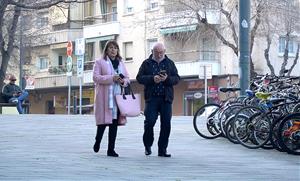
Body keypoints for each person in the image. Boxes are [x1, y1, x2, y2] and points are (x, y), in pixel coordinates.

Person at [136, 42, 180, 157]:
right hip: (152, 98)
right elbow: (139, 78)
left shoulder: (170, 63)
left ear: (164, 52)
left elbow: (177, 79)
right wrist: (152, 79)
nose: (159, 55)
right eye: (157, 52)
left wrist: (167, 79)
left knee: (166, 124)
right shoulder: (146, 63)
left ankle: (162, 150)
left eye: (161, 52)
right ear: (152, 52)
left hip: (166, 98)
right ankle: (148, 144)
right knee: (149, 122)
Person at [92, 40, 130, 157]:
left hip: (117, 97)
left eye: (115, 48)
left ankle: (111, 149)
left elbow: (128, 78)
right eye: (110, 48)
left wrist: (123, 81)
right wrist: (111, 78)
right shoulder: (99, 62)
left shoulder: (120, 63)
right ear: (106, 50)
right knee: (103, 123)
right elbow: (96, 77)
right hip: (104, 97)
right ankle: (97, 141)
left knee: (114, 123)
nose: (113, 50)